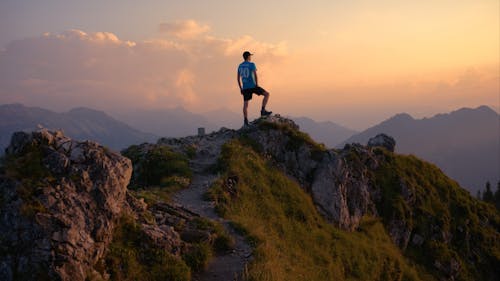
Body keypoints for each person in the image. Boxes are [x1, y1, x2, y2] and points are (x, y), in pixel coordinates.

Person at [237, 51, 272, 126]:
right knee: (267, 94)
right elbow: (255, 75)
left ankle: (245, 121)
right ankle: (263, 110)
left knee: (245, 105)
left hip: (245, 88)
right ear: (248, 57)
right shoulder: (252, 64)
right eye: (250, 56)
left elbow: (238, 78)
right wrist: (257, 84)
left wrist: (241, 88)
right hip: (253, 86)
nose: (251, 57)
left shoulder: (240, 66)